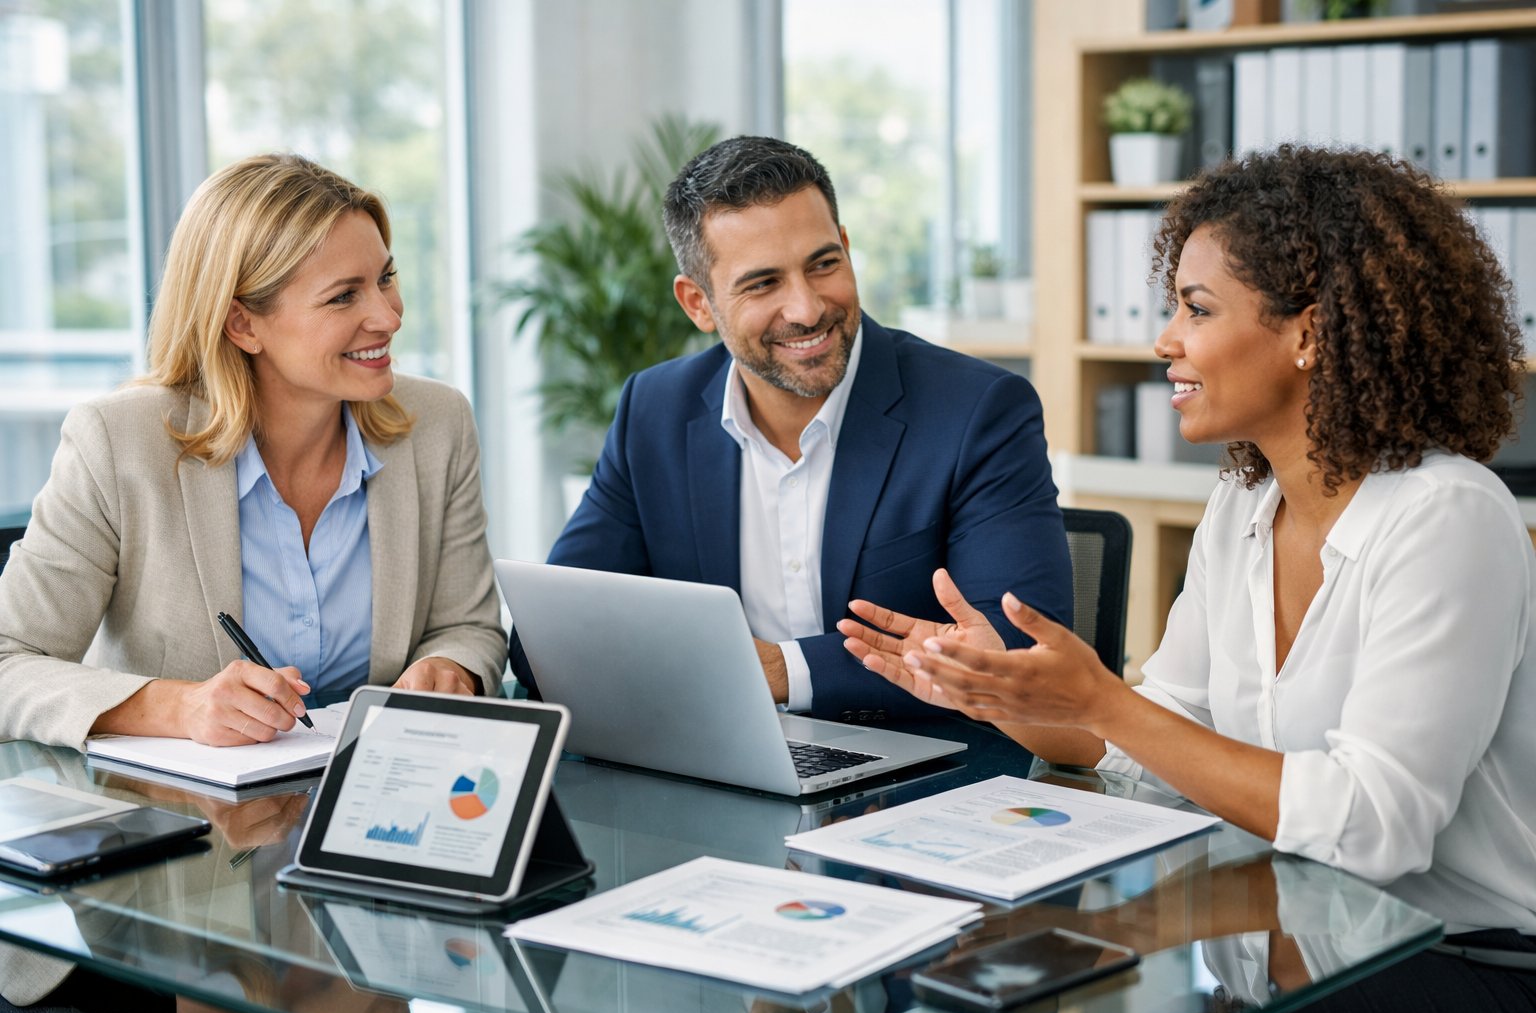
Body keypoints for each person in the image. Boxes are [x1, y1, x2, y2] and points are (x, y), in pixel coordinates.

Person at [840, 145, 1536, 1013]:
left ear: (1309, 333)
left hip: (1459, 966)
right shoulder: (1243, 505)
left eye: (1196, 309)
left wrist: (1102, 701)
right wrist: (1007, 695)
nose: (1165, 340)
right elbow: (1158, 758)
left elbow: (1375, 827)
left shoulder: (1447, 514)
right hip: (1273, 956)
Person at [511, 136, 1071, 721]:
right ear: (698, 304)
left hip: (930, 773)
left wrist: (780, 671)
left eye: (823, 264)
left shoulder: (977, 410)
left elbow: (1022, 653)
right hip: (726, 765)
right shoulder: (654, 410)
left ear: (848, 249)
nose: (806, 308)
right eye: (763, 283)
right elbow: (547, 638)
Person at [0, 153, 507, 754]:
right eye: (345, 297)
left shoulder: (438, 424)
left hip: (376, 801)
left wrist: (452, 667)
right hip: (185, 826)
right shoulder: (118, 443)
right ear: (242, 324)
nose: (389, 315)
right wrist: (179, 706)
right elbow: (10, 660)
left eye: (386, 279)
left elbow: (466, 624)